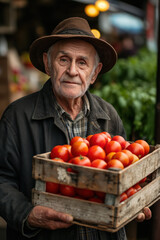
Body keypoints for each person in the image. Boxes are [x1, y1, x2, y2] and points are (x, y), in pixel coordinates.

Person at [0, 17, 151, 240]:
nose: (72, 70)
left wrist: (133, 200)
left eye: (82, 62)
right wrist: (28, 214)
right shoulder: (17, 116)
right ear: (48, 64)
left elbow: (123, 177)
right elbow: (2, 179)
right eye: (63, 60)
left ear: (95, 72)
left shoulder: (109, 116)